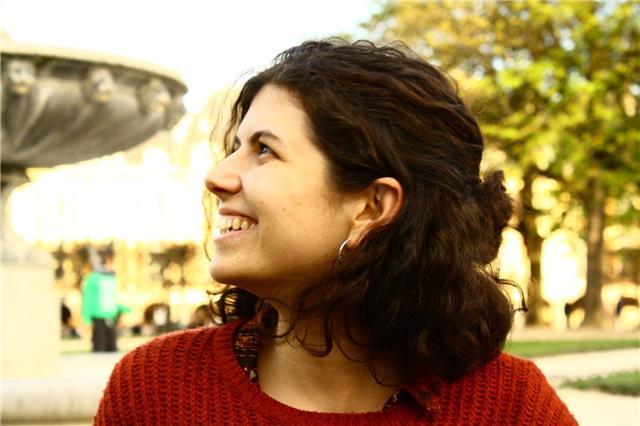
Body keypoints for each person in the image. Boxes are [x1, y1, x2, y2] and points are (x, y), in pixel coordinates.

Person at [95, 39, 576, 425]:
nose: (217, 177)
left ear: (371, 206)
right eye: (235, 147)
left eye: (264, 150)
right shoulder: (156, 390)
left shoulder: (510, 407)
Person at [81, 248, 128, 352]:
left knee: (112, 348)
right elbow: (88, 299)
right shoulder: (92, 279)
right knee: (100, 348)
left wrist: (123, 309)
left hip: (111, 317)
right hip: (98, 318)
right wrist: (86, 319)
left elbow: (113, 297)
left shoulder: (112, 278)